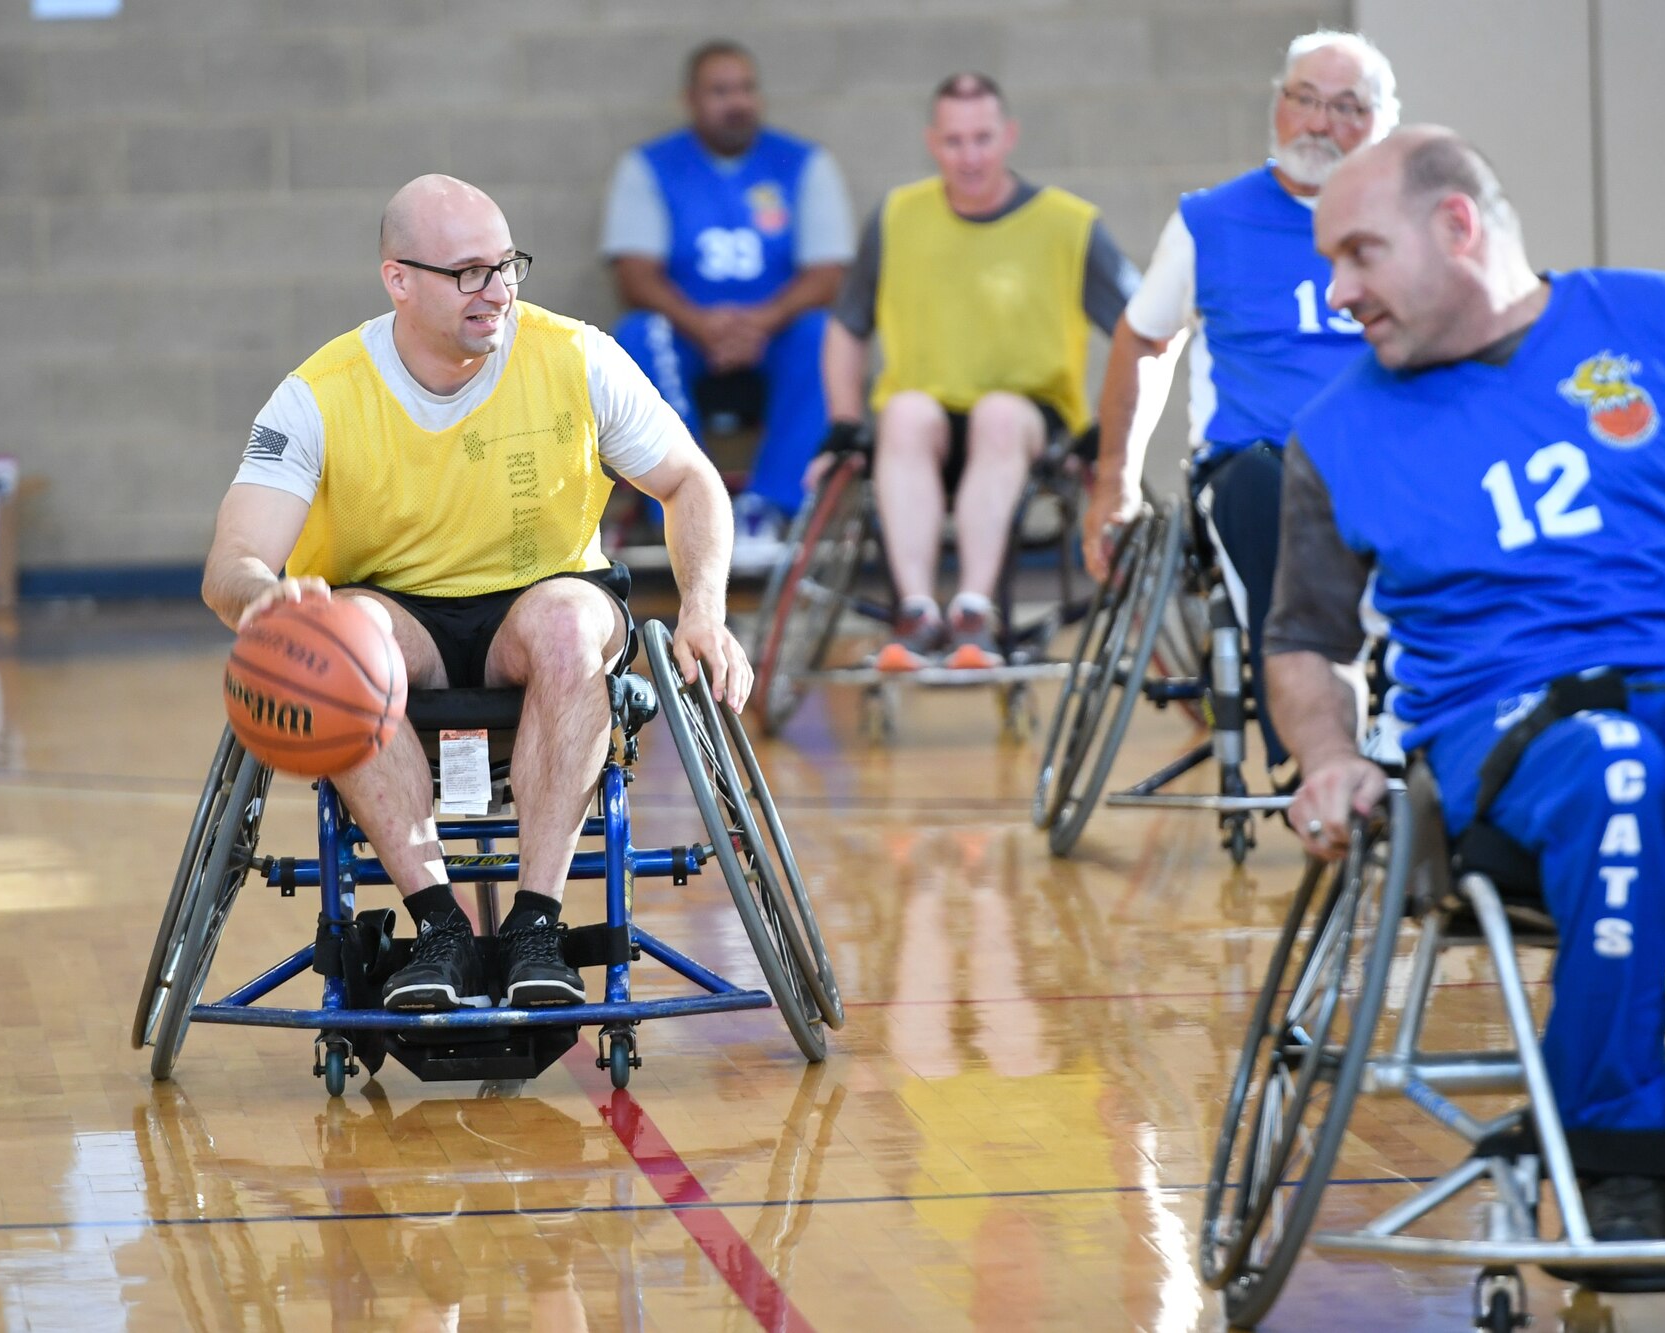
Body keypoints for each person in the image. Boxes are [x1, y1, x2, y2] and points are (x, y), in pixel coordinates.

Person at [1263, 128, 1665, 1257]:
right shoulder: (1336, 432)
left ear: (1455, 227)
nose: (1337, 292)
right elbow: (1301, 637)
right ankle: (1608, 1136)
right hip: (1508, 727)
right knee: (1612, 767)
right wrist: (1327, 754)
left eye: (1359, 255)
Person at [203, 174, 751, 1014]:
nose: (495, 291)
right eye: (467, 272)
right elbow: (232, 564)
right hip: (397, 620)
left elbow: (690, 481)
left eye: (507, 266)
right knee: (342, 637)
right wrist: (267, 601)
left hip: (541, 601)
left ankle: (536, 923)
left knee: (571, 626)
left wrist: (704, 608)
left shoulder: (576, 355)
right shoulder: (318, 393)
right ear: (398, 279)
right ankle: (440, 929)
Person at [1084, 28, 1398, 777]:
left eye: (1347, 107)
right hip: (1252, 465)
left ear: (1383, 122)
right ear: (1278, 106)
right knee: (1270, 488)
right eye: (1307, 101)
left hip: (1383, 457)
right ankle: (1311, 749)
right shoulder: (1210, 222)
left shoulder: (1406, 219)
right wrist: (1115, 481)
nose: (1320, 123)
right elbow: (1143, 344)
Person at [823, 72, 1141, 670]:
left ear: (1009, 136)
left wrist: (1112, 427)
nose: (969, 156)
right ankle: (917, 612)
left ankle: (974, 608)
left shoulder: (1069, 224)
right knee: (906, 412)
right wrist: (843, 420)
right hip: (925, 421)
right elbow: (846, 327)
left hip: (1027, 417)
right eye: (954, 141)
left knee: (998, 414)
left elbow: (1140, 329)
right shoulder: (896, 216)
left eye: (982, 138)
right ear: (932, 142)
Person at [604, 40, 854, 571]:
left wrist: (760, 322)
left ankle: (769, 505)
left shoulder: (803, 164)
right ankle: (679, 497)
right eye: (720, 91)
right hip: (687, 332)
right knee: (637, 332)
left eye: (745, 88)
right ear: (691, 100)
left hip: (776, 330)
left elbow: (829, 275)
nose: (736, 102)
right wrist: (702, 325)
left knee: (825, 335)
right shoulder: (651, 167)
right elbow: (634, 275)